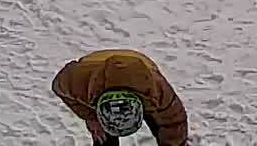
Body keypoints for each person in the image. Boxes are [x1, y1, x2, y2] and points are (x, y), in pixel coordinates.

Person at [53, 48, 190, 144]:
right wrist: (90, 116)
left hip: (141, 63)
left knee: (161, 123)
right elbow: (58, 86)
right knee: (101, 135)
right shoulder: (78, 82)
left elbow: (174, 122)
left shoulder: (156, 90)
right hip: (92, 66)